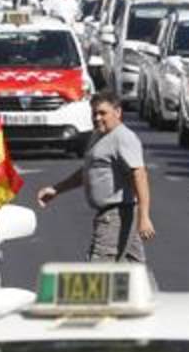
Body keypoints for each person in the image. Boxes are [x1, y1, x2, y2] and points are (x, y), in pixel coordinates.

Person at [37, 91, 154, 262]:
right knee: (132, 273)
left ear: (118, 112)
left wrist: (144, 216)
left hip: (116, 216)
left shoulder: (123, 137)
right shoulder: (98, 136)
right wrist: (56, 189)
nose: (97, 118)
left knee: (97, 272)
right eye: (94, 113)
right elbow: (88, 171)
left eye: (103, 113)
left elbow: (140, 175)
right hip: (116, 215)